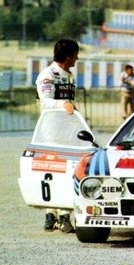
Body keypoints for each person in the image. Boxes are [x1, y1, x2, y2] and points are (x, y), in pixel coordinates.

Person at [36, 38, 80, 233]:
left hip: (67, 131)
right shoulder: (47, 75)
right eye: (75, 55)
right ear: (68, 56)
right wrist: (63, 105)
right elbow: (45, 102)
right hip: (50, 132)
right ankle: (50, 214)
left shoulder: (70, 76)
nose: (77, 59)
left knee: (67, 173)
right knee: (50, 172)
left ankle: (64, 215)